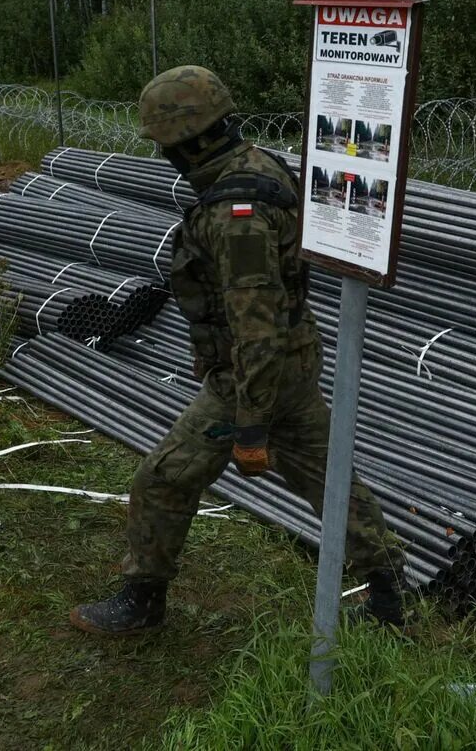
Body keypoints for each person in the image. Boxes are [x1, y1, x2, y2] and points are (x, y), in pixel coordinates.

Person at [71, 65, 407, 634]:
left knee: (165, 478)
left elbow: (255, 327)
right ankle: (390, 596)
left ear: (192, 139)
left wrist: (250, 428)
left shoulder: (235, 216)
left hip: (256, 376)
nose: (164, 158)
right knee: (327, 479)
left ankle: (142, 601)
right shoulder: (259, 165)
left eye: (168, 145)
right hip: (292, 361)